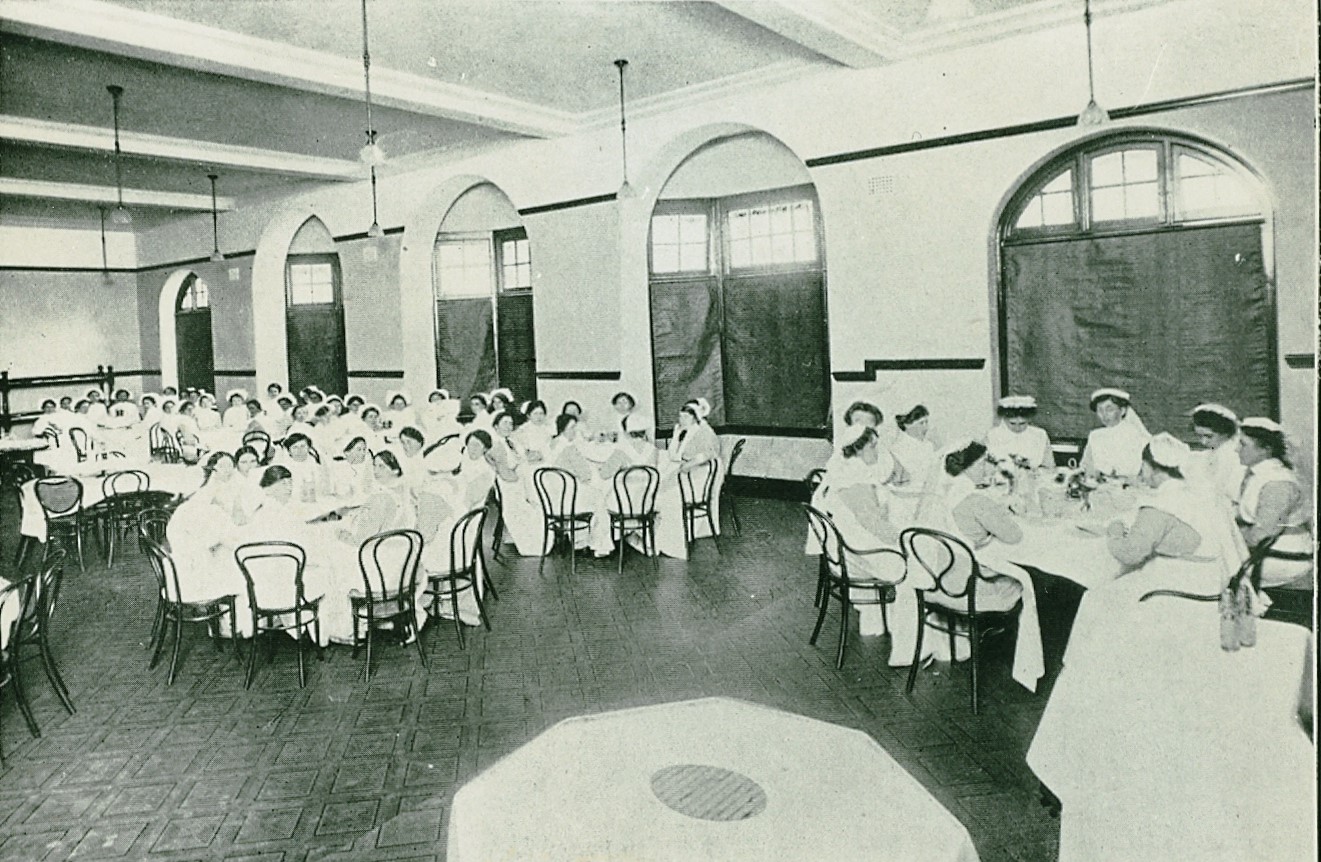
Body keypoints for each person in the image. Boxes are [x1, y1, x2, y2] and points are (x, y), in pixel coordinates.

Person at [1064, 434, 1249, 667]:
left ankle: (1097, 667)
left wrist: (1115, 529)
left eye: (1143, 467)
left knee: (1096, 596)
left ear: (1150, 467)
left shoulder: (1160, 505)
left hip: (1180, 583)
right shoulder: (1198, 493)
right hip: (1214, 578)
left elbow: (1129, 554)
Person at [902, 440, 1033, 678]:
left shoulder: (946, 492)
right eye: (983, 463)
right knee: (1029, 581)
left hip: (936, 584)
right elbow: (1014, 536)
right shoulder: (974, 499)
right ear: (967, 466)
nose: (989, 469)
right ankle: (1019, 660)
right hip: (968, 591)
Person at [1235, 418, 1313, 588]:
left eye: (1243, 445)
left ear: (1265, 450)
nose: (1236, 450)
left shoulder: (1278, 482)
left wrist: (1229, 538)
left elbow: (1262, 534)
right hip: (1266, 549)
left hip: (1284, 556)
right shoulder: (1259, 475)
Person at [1079, 387, 1150, 480]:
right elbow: (1085, 466)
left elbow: (1143, 473)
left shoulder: (1138, 436)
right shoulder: (1095, 436)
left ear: (1123, 410)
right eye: (1100, 410)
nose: (1104, 415)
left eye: (1109, 409)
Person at [1184, 403, 1245, 507]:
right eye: (1199, 436)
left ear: (1225, 432)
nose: (1203, 442)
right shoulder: (1209, 453)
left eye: (1209, 436)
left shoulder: (1233, 455)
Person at [986, 395, 1053, 469]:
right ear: (1004, 419)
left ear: (1029, 419)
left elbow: (1049, 466)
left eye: (1022, 423)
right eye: (1012, 423)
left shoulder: (1039, 435)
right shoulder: (993, 435)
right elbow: (987, 467)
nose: (1017, 428)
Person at [890, 404, 938, 494]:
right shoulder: (897, 449)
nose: (926, 427)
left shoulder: (928, 445)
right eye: (921, 423)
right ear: (907, 424)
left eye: (926, 422)